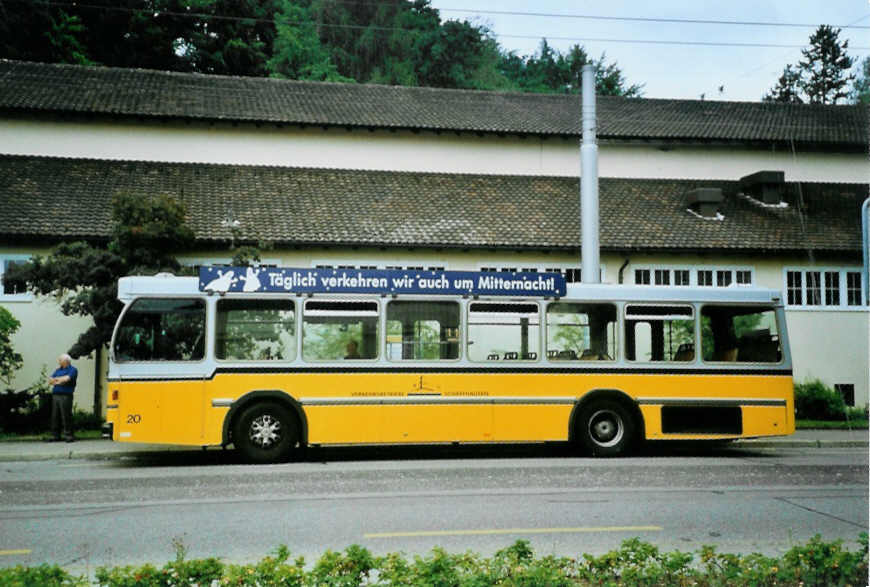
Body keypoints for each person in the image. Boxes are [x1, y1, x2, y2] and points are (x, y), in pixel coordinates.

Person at [47, 353, 77, 442]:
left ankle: (69, 435)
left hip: (66, 395)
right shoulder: (58, 370)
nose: (58, 362)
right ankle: (55, 435)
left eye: (60, 360)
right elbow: (50, 381)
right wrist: (60, 381)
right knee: (55, 416)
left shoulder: (73, 370)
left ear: (66, 361)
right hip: (56, 395)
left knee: (66, 415)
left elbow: (67, 379)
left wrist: (57, 380)